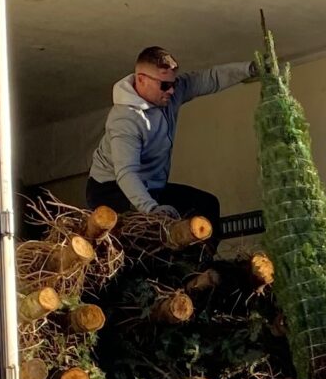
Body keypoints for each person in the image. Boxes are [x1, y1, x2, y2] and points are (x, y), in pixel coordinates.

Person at [84, 46, 255, 240]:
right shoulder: (126, 121)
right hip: (113, 188)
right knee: (146, 233)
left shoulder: (169, 95)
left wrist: (249, 69)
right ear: (141, 79)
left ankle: (200, 266)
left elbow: (208, 79)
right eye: (165, 85)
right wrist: (151, 209)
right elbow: (126, 173)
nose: (172, 90)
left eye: (173, 84)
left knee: (206, 205)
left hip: (151, 185)